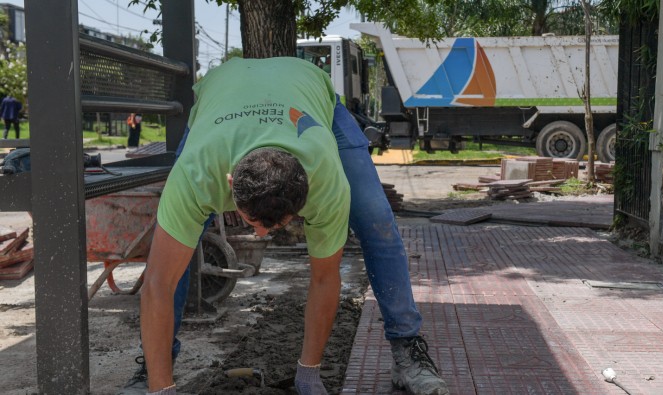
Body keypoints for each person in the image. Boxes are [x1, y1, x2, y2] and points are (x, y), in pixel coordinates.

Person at [118, 57, 449, 395]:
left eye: (277, 225)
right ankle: (153, 371)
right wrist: (163, 391)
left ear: (304, 195)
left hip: (309, 92)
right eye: (253, 223)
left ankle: (408, 352)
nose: (261, 235)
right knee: (175, 249)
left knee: (375, 219)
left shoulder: (326, 179)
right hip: (221, 95)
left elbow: (324, 277)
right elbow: (158, 284)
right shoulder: (195, 173)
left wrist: (309, 375)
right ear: (230, 183)